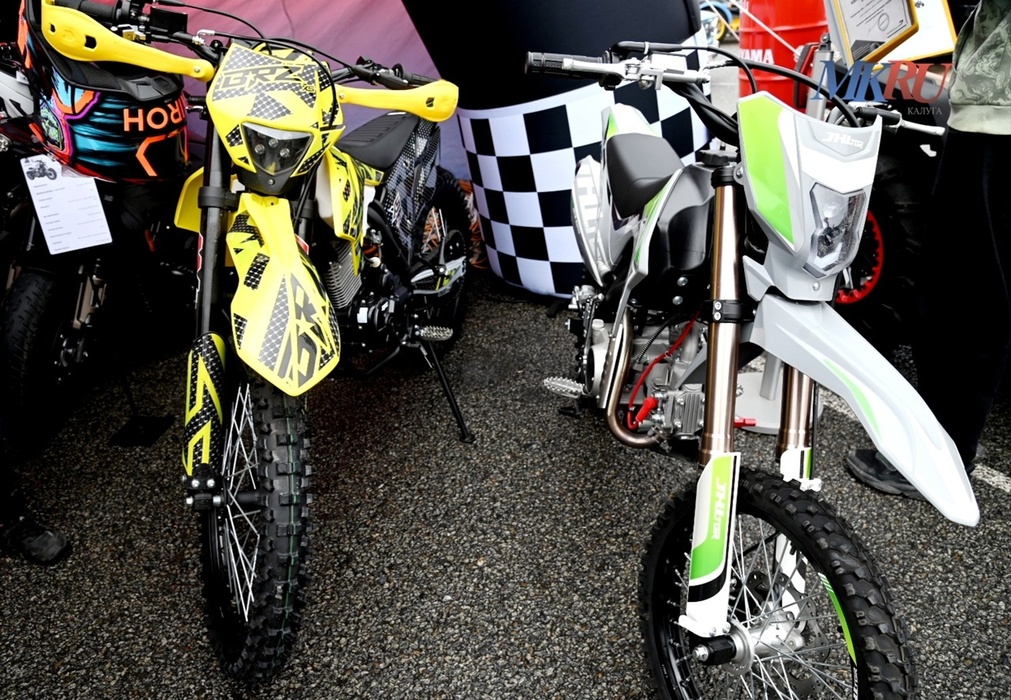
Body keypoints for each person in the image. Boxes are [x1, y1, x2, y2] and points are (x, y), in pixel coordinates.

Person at [846, 0, 1011, 498]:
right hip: (994, 103)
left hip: (999, 111)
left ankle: (942, 455)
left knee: (962, 286)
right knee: (977, 281)